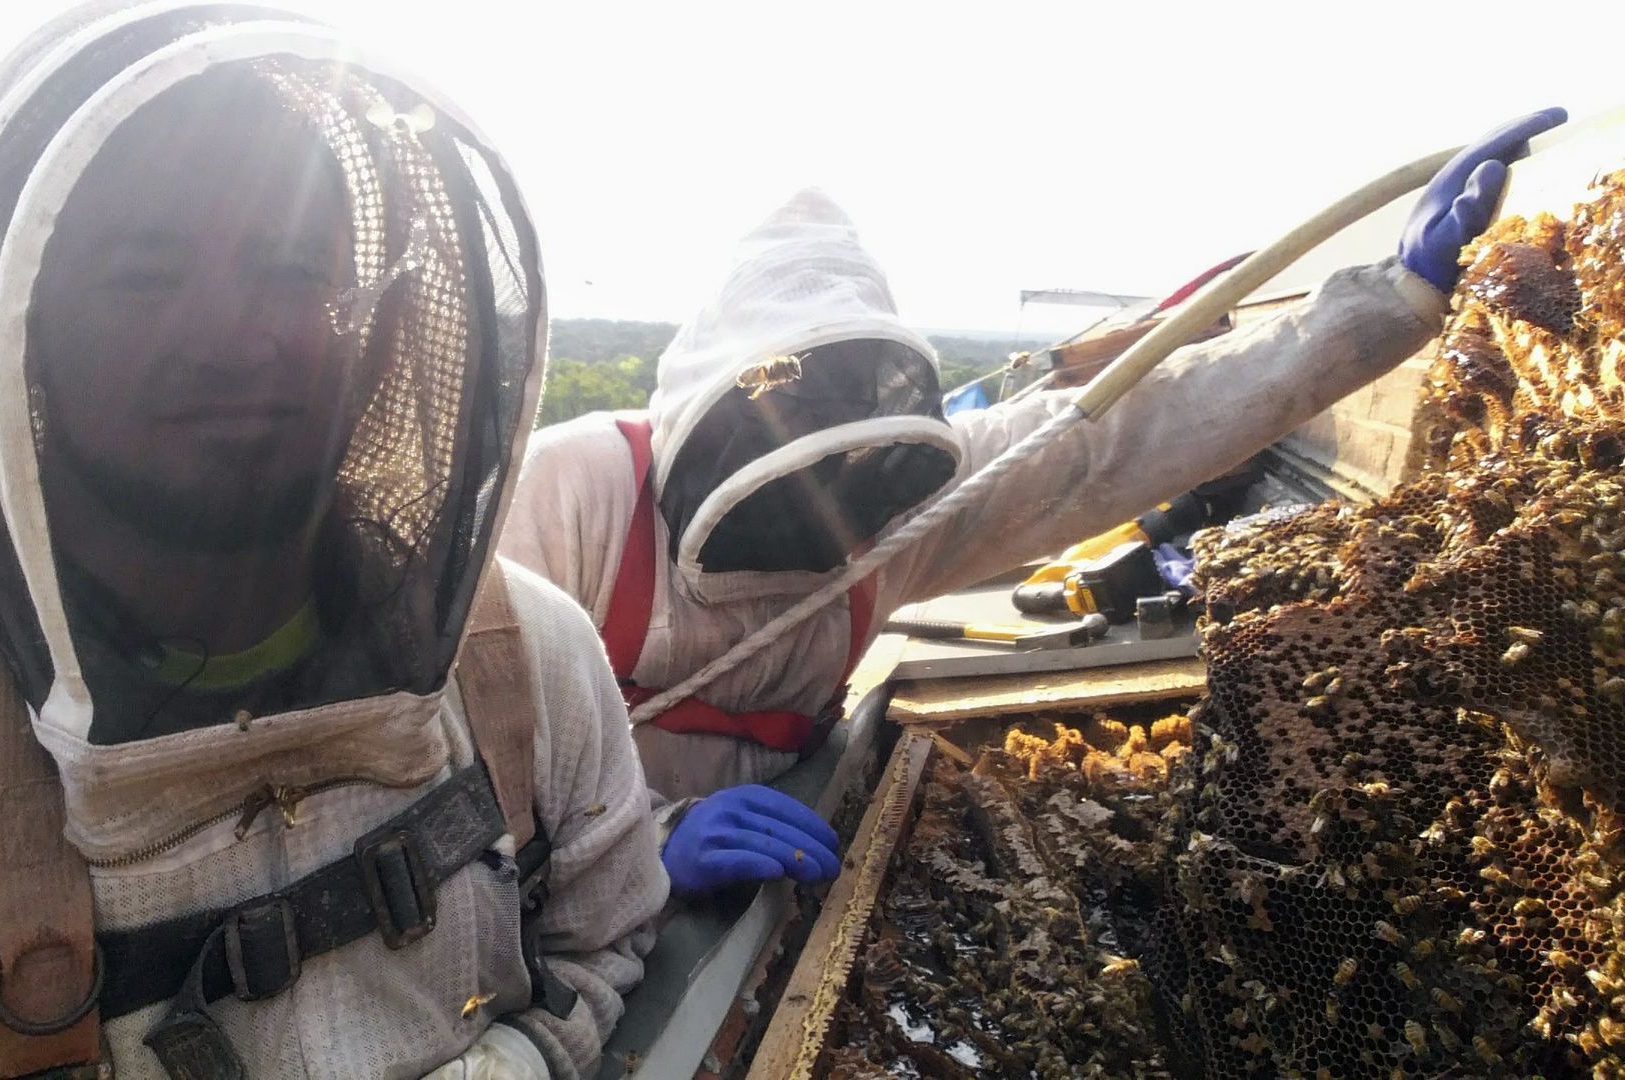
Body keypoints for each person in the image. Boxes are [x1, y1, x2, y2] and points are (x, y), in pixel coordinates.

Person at [0, 5, 667, 1078]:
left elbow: (606, 944)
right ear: (19, 333)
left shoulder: (523, 659)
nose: (233, 338)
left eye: (293, 268)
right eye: (142, 274)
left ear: (369, 320)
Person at [499, 109, 1568, 895]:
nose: (828, 509)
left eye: (850, 472)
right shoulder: (571, 491)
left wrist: (1393, 303)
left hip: (764, 869)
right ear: (706, 427)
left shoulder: (887, 525)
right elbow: (447, 747)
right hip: (562, 907)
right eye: (797, 464)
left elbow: (1108, 440)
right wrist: (646, 838)